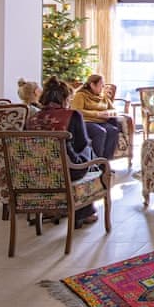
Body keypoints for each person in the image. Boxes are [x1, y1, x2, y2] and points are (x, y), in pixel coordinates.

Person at [26, 76, 102, 228]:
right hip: (67, 172)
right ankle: (82, 212)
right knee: (89, 151)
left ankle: (56, 207)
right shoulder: (73, 115)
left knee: (86, 155)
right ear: (65, 98)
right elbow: (82, 145)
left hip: (37, 174)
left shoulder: (32, 118)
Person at [71, 74, 120, 160]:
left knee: (113, 130)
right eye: (101, 85)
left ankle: (105, 161)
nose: (103, 87)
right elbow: (77, 111)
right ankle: (96, 162)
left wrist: (108, 113)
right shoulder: (80, 95)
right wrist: (97, 114)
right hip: (85, 122)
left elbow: (114, 110)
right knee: (100, 132)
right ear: (92, 85)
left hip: (101, 122)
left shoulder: (103, 97)